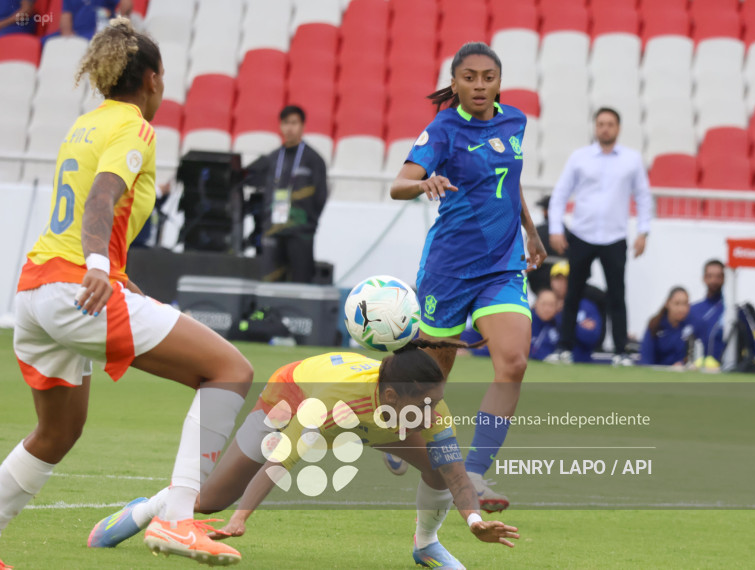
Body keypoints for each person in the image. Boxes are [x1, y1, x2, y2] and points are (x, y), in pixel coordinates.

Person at [0, 19, 253, 568]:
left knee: (57, 432)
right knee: (229, 370)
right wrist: (97, 265)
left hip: (36, 292)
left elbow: (89, 212)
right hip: (76, 289)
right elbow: (101, 198)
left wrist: (111, 269)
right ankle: (177, 521)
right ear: (155, 79)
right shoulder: (136, 127)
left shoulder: (85, 125)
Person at [87, 341, 520, 570]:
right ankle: (150, 509)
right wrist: (240, 519)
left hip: (375, 421)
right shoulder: (331, 402)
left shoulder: (428, 409)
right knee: (209, 501)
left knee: (440, 469)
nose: (434, 412)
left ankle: (426, 545)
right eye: (425, 405)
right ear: (391, 395)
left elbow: (459, 475)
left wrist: (475, 522)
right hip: (291, 395)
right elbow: (282, 461)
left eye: (437, 402)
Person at [389, 41, 547, 511]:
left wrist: (531, 232)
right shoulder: (442, 129)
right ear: (455, 83)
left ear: (499, 82)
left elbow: (510, 176)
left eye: (488, 77)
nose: (480, 85)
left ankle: (475, 472)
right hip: (450, 267)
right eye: (470, 77)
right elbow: (399, 184)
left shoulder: (515, 121)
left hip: (502, 263)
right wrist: (424, 182)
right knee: (430, 377)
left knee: (514, 362)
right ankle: (397, 427)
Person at [548, 107, 652, 367]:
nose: (605, 128)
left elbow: (643, 196)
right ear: (595, 127)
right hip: (581, 235)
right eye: (601, 123)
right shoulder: (579, 157)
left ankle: (620, 351)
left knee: (617, 295)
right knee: (573, 293)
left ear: (618, 128)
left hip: (615, 237)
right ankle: (564, 348)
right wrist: (555, 229)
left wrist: (643, 232)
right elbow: (560, 194)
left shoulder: (632, 159)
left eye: (610, 124)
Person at [246, 105, 328, 283]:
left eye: (294, 123)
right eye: (285, 123)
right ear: (280, 126)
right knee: (270, 281)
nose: (289, 128)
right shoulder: (273, 158)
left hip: (301, 232)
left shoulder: (314, 159)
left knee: (300, 282)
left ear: (302, 126)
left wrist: (309, 223)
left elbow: (321, 196)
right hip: (274, 230)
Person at [546, 261, 604, 363]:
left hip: (579, 364)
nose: (561, 284)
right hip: (544, 363)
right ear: (551, 281)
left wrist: (561, 317)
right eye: (557, 279)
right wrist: (579, 325)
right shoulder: (543, 305)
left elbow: (591, 337)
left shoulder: (587, 306)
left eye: (566, 279)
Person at [640, 287, 695, 367]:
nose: (681, 309)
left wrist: (684, 364)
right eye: (677, 303)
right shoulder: (655, 325)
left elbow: (692, 357)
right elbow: (645, 360)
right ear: (667, 303)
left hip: (682, 376)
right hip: (656, 375)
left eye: (685, 304)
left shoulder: (691, 327)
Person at [689, 259, 725, 368]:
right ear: (704, 278)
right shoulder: (692, 309)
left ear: (724, 279)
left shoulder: (732, 311)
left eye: (718, 277)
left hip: (723, 371)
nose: (714, 280)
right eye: (710, 276)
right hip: (694, 371)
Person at [59, 0, 132, 40]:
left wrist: (121, 25)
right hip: (77, 36)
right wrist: (68, 40)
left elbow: (126, 3)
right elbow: (66, 16)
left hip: (101, 34)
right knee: (49, 42)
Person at [529, 289, 560, 360]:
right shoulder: (525, 323)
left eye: (551, 305)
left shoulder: (558, 325)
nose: (547, 309)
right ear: (536, 304)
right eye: (544, 304)